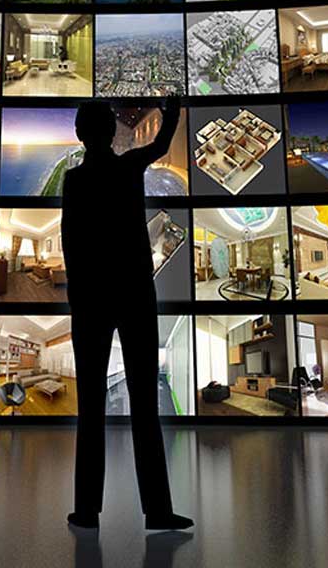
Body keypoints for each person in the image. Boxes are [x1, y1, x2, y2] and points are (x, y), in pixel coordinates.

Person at [61, 97, 193, 532]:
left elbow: (72, 249)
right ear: (111, 134)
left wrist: (79, 305)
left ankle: (86, 512)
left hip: (92, 303)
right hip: (136, 296)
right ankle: (157, 511)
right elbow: (160, 145)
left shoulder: (75, 181)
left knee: (92, 410)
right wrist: (171, 112)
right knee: (145, 408)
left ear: (81, 135)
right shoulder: (128, 167)